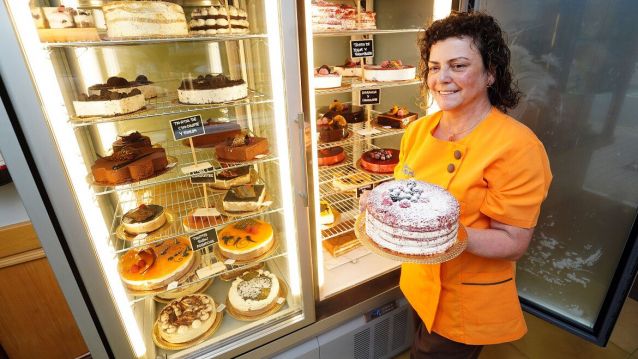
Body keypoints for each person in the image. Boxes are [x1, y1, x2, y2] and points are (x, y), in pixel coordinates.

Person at [362, 11, 552, 358]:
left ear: (491, 73)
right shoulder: (419, 130)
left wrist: (440, 234)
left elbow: (513, 243)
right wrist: (384, 208)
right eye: (434, 66)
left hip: (466, 298)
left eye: (458, 65)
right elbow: (408, 194)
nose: (441, 78)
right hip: (418, 281)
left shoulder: (517, 147)